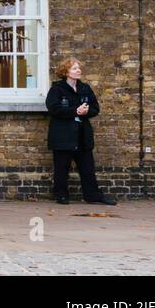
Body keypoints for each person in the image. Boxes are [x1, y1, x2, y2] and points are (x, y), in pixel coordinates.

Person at [47, 58, 116, 206]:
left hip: (82, 134)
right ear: (66, 72)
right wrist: (75, 111)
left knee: (87, 168)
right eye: (74, 68)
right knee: (61, 167)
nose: (78, 70)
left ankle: (92, 195)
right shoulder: (57, 89)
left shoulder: (85, 88)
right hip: (63, 135)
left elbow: (95, 108)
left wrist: (86, 111)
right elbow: (53, 108)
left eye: (79, 68)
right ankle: (61, 195)